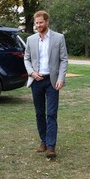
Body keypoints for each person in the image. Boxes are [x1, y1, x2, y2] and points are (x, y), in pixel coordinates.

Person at [24, 10, 68, 158]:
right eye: (36, 23)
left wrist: (61, 78)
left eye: (41, 22)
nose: (38, 25)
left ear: (47, 22)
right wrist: (31, 72)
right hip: (36, 80)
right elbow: (26, 59)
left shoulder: (59, 38)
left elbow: (64, 60)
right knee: (39, 113)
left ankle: (51, 146)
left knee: (51, 114)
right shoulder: (31, 39)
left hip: (52, 81)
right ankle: (43, 141)